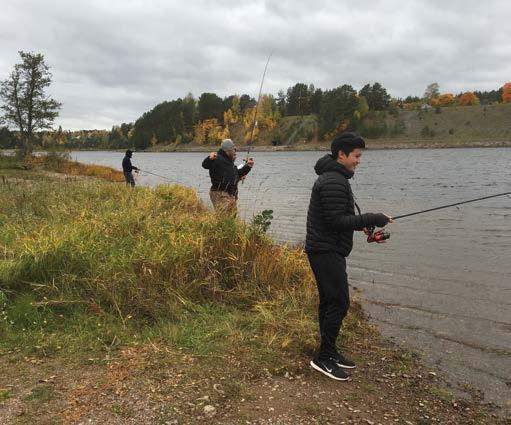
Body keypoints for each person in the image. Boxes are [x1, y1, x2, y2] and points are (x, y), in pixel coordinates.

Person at [305, 133, 392, 381]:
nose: (359, 160)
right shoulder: (334, 180)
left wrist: (362, 224)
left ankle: (328, 352)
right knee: (340, 302)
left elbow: (338, 216)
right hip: (325, 250)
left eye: (360, 156)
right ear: (341, 155)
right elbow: (335, 221)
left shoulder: (336, 177)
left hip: (325, 248)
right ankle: (323, 358)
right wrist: (372, 218)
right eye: (356, 155)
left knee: (329, 301)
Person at [202, 139, 254, 213]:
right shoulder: (217, 158)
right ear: (228, 150)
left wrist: (248, 167)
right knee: (225, 217)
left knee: (232, 217)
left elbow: (237, 175)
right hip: (219, 193)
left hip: (230, 194)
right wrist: (209, 158)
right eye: (233, 149)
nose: (235, 152)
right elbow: (205, 165)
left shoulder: (229, 162)